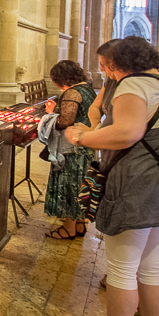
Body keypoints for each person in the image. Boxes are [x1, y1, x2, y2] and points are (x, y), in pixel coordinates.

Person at [65, 37, 159, 316]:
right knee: (152, 266)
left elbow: (128, 132)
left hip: (137, 185)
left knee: (122, 269)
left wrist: (82, 136)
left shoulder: (134, 85)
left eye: (106, 64)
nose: (104, 70)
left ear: (116, 62)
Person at [41, 60, 97, 240]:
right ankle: (79, 224)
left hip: (72, 148)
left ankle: (68, 228)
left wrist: (50, 113)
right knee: (81, 185)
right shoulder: (87, 88)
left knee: (70, 186)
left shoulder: (72, 92)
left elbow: (66, 120)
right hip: (86, 144)